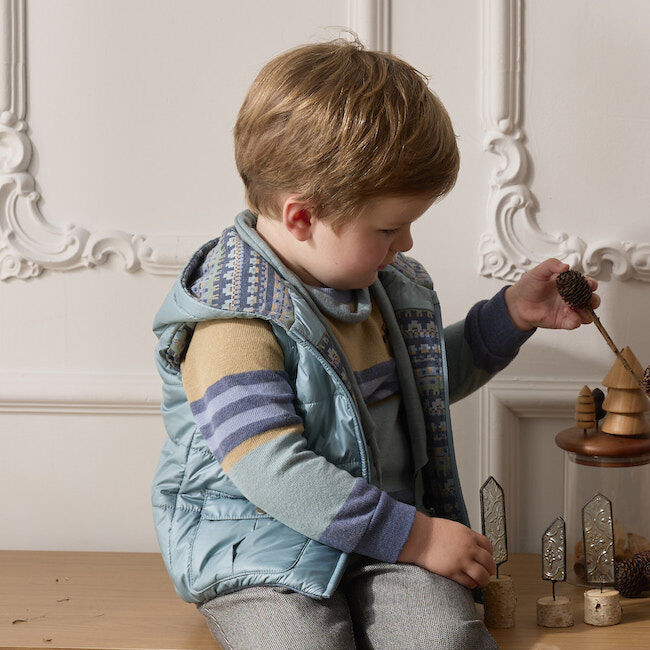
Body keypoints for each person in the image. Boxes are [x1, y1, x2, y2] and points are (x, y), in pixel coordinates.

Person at [151, 38, 599, 649]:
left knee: (444, 639)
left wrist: (512, 315)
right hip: (264, 546)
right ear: (303, 217)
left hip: (383, 536)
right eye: (389, 227)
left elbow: (424, 383)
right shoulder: (232, 321)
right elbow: (272, 471)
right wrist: (419, 537)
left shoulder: (382, 291)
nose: (406, 243)